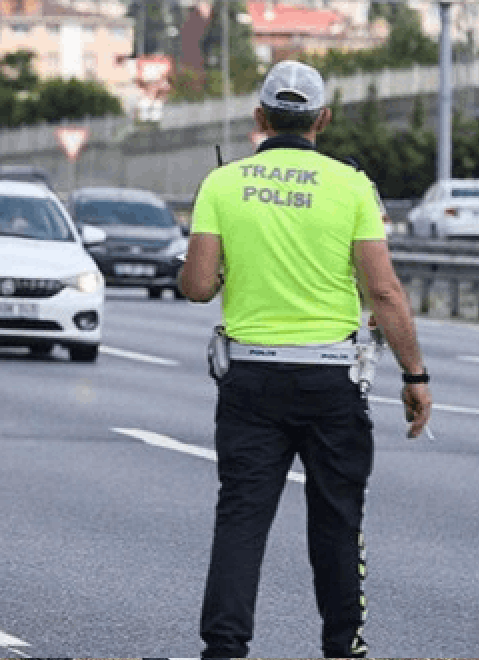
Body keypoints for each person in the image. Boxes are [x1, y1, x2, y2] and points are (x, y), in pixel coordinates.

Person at [179, 60, 433, 658]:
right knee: (337, 519)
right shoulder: (351, 186)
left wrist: (219, 274)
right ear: (322, 118)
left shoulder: (224, 183)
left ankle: (224, 648)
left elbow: (195, 285)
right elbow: (385, 292)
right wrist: (415, 375)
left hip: (250, 379)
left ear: (259, 117)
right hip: (330, 381)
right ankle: (343, 646)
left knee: (242, 518)